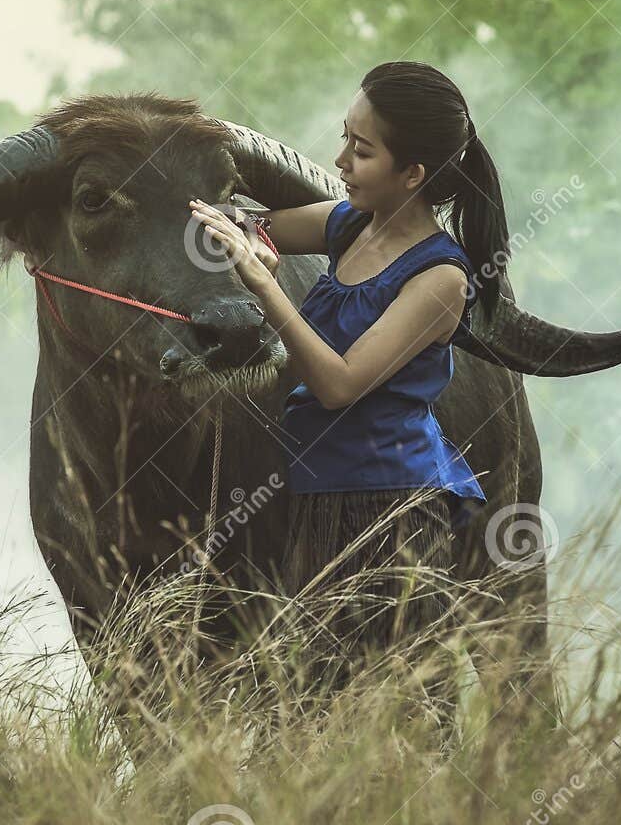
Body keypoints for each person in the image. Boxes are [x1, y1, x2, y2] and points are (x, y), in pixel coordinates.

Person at [189, 60, 509, 700]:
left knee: (403, 710)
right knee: (314, 708)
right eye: (344, 138)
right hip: (316, 496)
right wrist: (225, 220)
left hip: (392, 511)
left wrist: (261, 280)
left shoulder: (440, 279)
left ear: (413, 174)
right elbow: (261, 227)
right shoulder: (347, 226)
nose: (339, 160)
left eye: (361, 152)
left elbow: (339, 384)